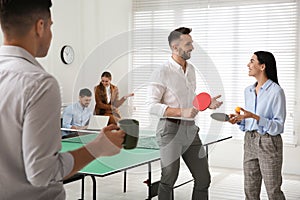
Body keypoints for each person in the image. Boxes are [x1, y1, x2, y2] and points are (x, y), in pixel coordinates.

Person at [0, 1, 125, 199]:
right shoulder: (40, 83)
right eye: (51, 26)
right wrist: (99, 145)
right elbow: (42, 173)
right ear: (40, 26)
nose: (50, 32)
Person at [146, 27, 223, 200]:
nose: (192, 47)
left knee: (203, 178)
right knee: (169, 179)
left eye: (191, 43)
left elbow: (189, 99)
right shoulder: (162, 71)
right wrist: (182, 112)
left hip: (190, 130)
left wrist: (205, 103)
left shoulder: (191, 69)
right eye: (188, 44)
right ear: (175, 47)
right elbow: (151, 106)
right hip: (170, 130)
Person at [229, 51, 286, 200]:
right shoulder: (248, 91)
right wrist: (240, 120)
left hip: (268, 142)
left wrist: (254, 116)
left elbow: (278, 126)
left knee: (273, 191)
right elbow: (249, 122)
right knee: (250, 190)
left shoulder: (276, 91)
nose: (248, 65)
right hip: (250, 140)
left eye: (252, 61)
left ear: (262, 66)